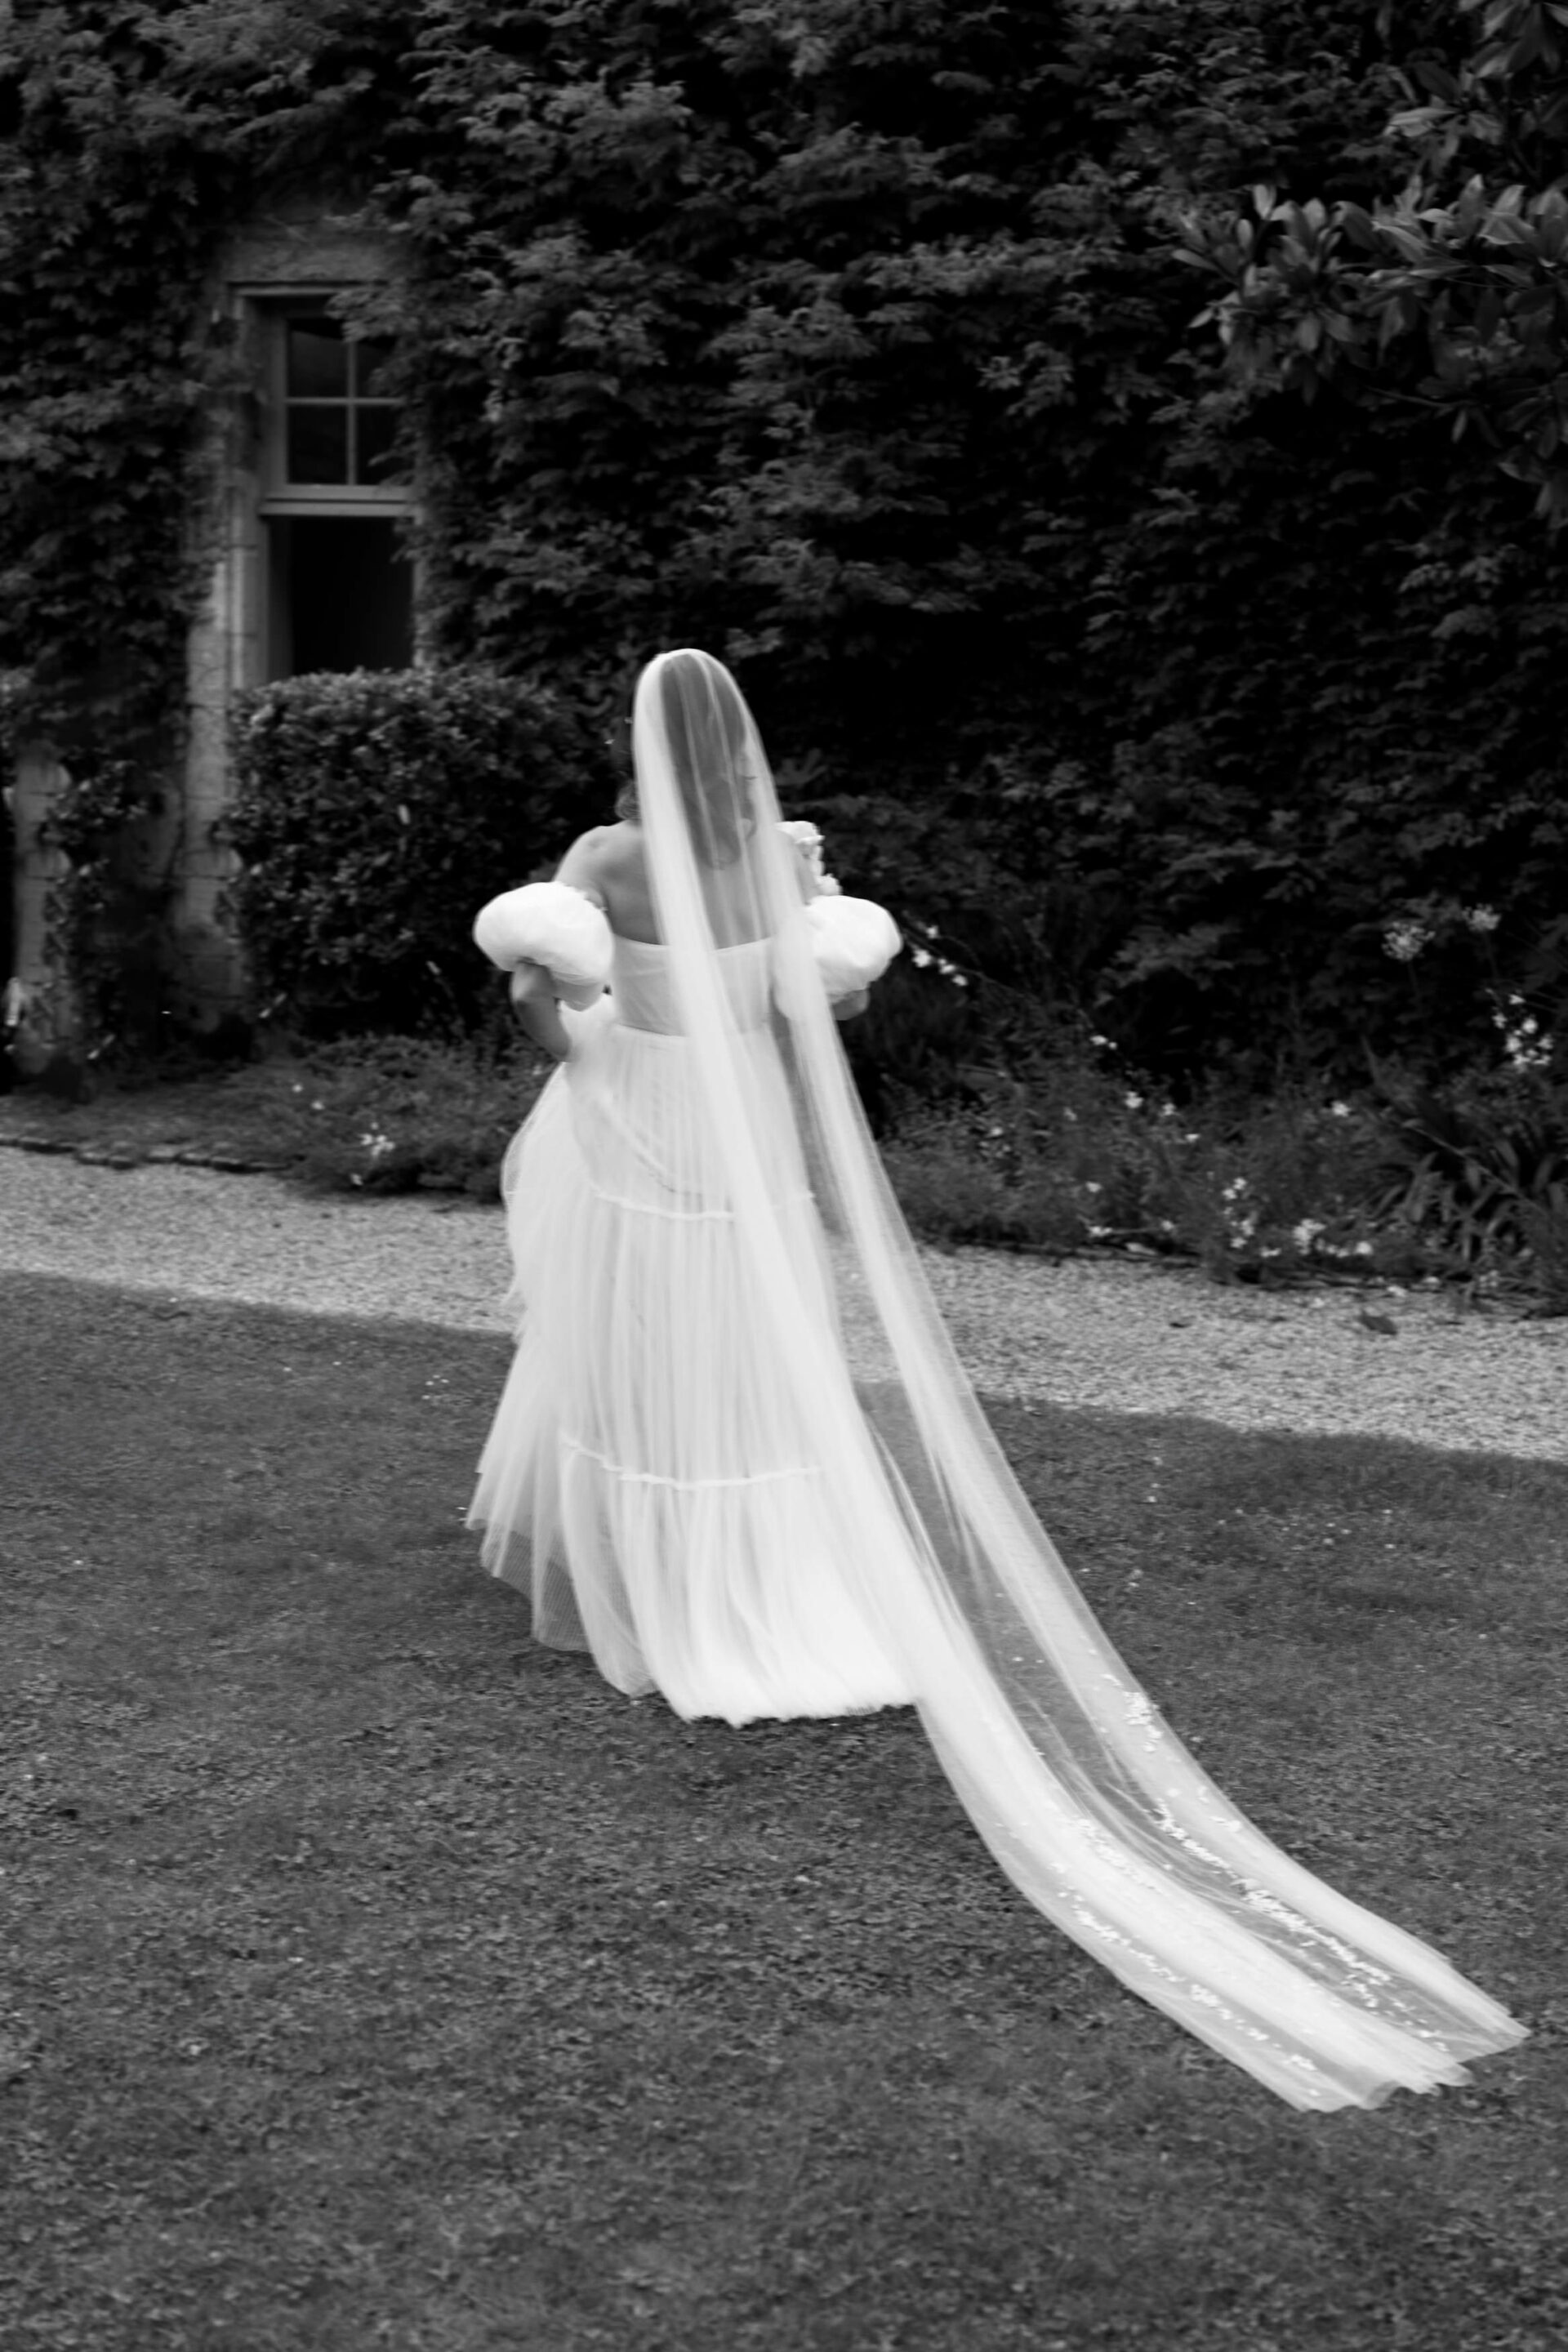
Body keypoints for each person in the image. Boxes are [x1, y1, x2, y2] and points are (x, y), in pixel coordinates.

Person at [469, 648, 1526, 2113]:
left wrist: (583, 1023)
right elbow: (819, 1021)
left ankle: (659, 1593)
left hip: (640, 1112)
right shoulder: (784, 858)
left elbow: (542, 1004)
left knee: (645, 1338)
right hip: (748, 1135)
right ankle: (763, 1584)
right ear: (746, 759)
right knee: (761, 1344)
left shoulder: (602, 857)